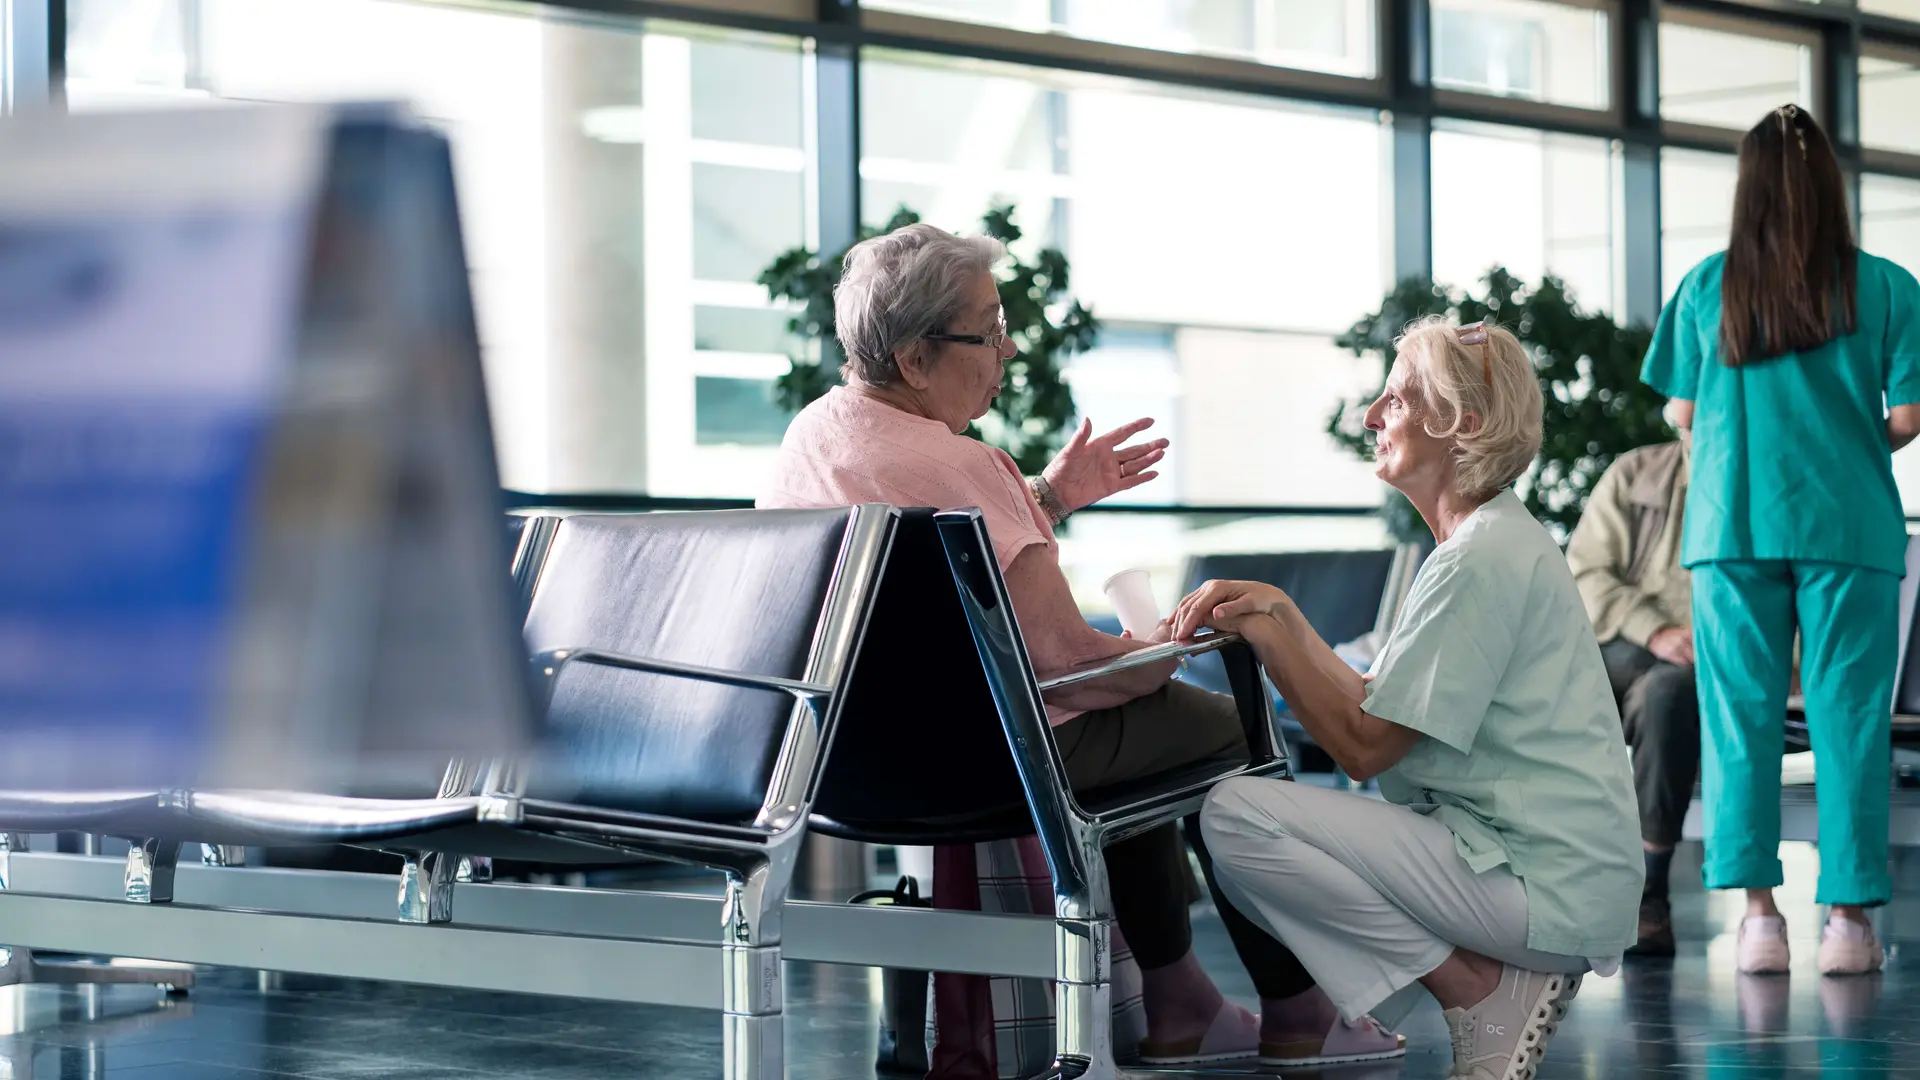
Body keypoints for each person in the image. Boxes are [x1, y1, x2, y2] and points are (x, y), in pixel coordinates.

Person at [759, 222, 1403, 1068]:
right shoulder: (967, 467)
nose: (1008, 347)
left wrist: (1050, 496)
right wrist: (1158, 648)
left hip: (846, 766)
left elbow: (943, 572)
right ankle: (1294, 1011)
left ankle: (1183, 1004)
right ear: (917, 357)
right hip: (996, 763)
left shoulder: (810, 441)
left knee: (1149, 735)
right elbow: (1066, 667)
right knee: (1226, 728)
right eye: (987, 332)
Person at [1179, 317, 1643, 1080]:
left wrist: (1269, 635)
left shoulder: (1478, 559)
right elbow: (1382, 701)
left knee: (1233, 815)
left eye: (1394, 400)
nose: (1370, 417)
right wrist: (1281, 615)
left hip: (1539, 883)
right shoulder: (1488, 541)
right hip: (1544, 874)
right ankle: (1486, 985)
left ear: (1460, 424)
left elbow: (1364, 746)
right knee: (1249, 819)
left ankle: (1477, 989)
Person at [1641, 104, 1920, 977]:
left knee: (1741, 719)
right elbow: (1907, 416)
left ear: (1748, 187)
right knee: (1849, 720)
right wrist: (1841, 441)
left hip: (1733, 525)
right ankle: (1847, 925)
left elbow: (1680, 412)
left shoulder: (1705, 286)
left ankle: (1760, 921)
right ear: (1830, 186)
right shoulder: (1886, 287)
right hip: (1850, 526)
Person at [1563, 437, 1698, 956]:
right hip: (1628, 644)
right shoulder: (1635, 472)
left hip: (1707, 664)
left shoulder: (1770, 467)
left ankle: (1648, 893)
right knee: (1528, 670)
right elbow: (1586, 572)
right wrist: (1655, 629)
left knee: (1665, 696)